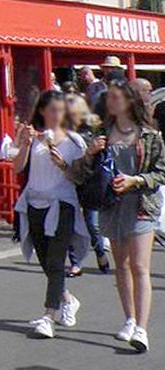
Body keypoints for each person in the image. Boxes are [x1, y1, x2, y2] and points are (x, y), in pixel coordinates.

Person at [70, 79, 165, 352]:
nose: (110, 101)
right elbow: (81, 173)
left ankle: (142, 328)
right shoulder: (101, 133)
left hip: (141, 205)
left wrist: (136, 180)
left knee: (140, 266)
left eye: (115, 97)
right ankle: (129, 318)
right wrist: (90, 153)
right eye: (108, 97)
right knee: (121, 266)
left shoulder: (149, 135)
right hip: (111, 206)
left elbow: (161, 172)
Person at [11, 91, 88, 339]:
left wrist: (63, 165)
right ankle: (67, 299)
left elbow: (81, 177)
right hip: (35, 202)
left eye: (61, 110)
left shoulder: (74, 142)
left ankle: (48, 316)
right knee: (44, 259)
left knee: (56, 261)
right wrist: (24, 144)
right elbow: (18, 167)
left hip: (62, 204)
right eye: (52, 110)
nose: (57, 115)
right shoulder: (34, 139)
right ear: (43, 111)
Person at [65, 93, 110, 276]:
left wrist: (94, 151)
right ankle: (76, 262)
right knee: (69, 224)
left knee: (92, 224)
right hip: (69, 180)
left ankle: (100, 251)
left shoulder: (95, 129)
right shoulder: (61, 133)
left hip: (90, 182)